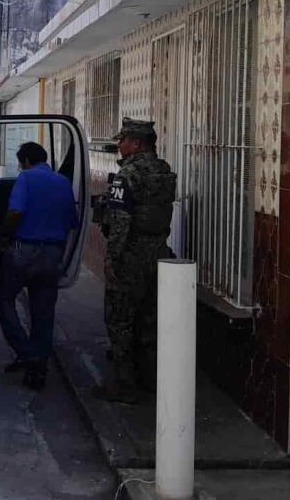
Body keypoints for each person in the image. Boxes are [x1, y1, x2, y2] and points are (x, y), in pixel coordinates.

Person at [96, 118, 176, 404]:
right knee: (149, 318)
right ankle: (150, 380)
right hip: (158, 252)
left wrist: (112, 259)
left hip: (130, 254)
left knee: (120, 319)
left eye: (123, 140)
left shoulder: (127, 175)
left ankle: (125, 385)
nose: (119, 145)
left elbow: (120, 222)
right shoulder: (163, 171)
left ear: (137, 143)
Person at [0, 141, 79, 391]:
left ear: (27, 161)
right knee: (43, 312)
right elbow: (72, 221)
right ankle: (38, 368)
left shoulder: (26, 178)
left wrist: (3, 237)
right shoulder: (63, 182)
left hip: (24, 251)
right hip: (53, 255)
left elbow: (15, 212)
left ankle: (26, 351)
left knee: (3, 297)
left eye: (21, 163)